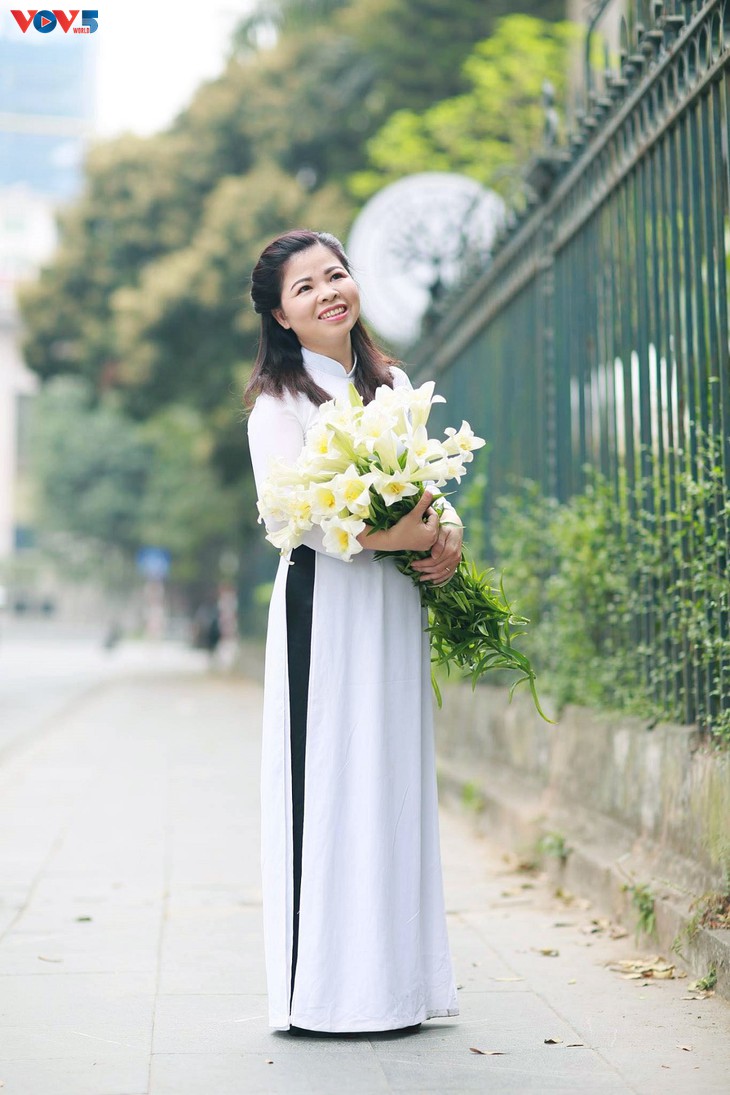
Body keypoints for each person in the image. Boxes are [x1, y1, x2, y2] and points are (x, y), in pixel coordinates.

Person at [245, 229, 463, 1037]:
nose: (328, 292)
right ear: (281, 315)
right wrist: (383, 536)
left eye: (335, 275)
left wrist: (445, 530)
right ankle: (327, 994)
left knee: (391, 774)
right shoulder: (279, 403)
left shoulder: (392, 384)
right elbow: (289, 514)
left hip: (392, 607)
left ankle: (398, 984)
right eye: (305, 287)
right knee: (333, 775)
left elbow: (427, 482)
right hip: (327, 609)